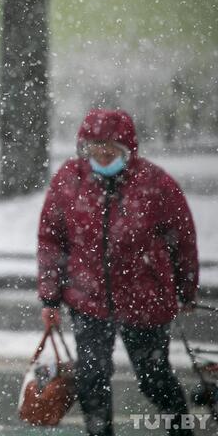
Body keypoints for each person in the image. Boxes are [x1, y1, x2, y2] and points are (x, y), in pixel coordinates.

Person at [37, 108, 199, 436]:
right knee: (92, 380)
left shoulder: (156, 184)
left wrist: (186, 288)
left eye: (111, 148)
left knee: (155, 379)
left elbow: (183, 241)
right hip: (88, 301)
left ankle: (180, 429)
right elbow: (51, 240)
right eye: (95, 147)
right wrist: (50, 299)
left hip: (146, 303)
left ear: (129, 149)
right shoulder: (69, 180)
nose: (103, 154)